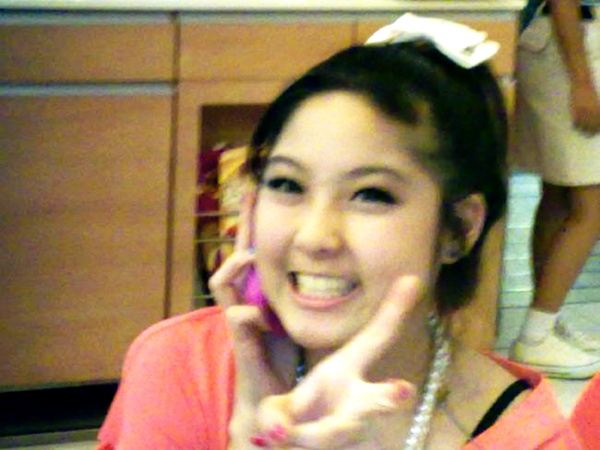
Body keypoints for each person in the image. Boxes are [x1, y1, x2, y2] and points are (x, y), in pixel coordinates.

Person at [96, 15, 582, 449]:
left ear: (459, 229)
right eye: (287, 184)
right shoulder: (181, 364)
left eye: (371, 194)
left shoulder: (529, 439)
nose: (313, 238)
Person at [509, 0, 600, 379]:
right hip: (569, 47)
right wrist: (582, 82)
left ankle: (545, 321)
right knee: (592, 206)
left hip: (560, 42)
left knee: (560, 197)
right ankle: (535, 336)